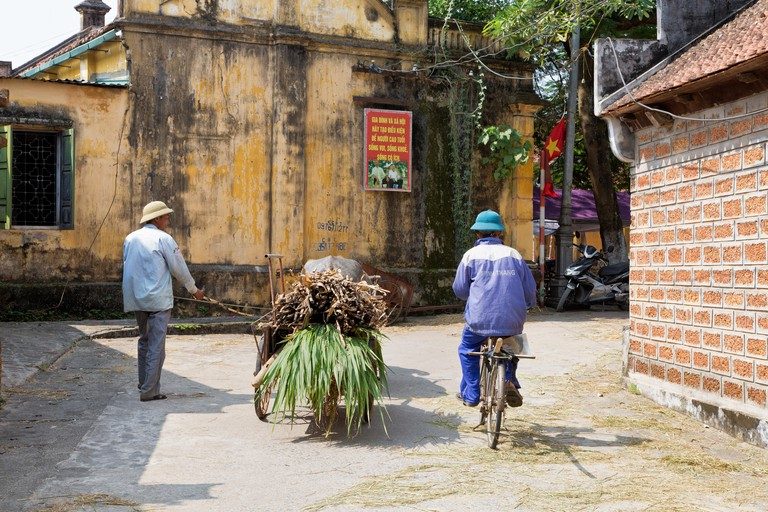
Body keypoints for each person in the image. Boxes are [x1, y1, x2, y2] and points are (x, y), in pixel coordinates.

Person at [452, 209, 537, 407]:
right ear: (499, 233)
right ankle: (508, 379)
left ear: (477, 234)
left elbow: (460, 289)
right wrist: (528, 305)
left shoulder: (470, 256)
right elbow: (530, 289)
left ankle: (472, 393)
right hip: (512, 320)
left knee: (467, 350)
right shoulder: (513, 254)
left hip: (479, 321)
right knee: (512, 346)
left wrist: (471, 297)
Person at [122, 201, 205, 402]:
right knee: (156, 346)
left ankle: (144, 384)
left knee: (144, 340)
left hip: (136, 298)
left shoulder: (130, 238)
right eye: (166, 216)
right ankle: (149, 391)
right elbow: (179, 269)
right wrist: (194, 291)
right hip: (158, 300)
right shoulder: (163, 239)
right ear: (157, 218)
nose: (168, 220)